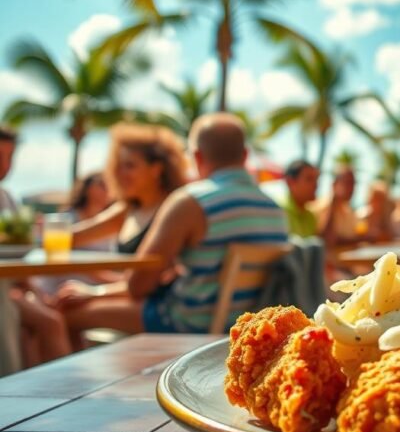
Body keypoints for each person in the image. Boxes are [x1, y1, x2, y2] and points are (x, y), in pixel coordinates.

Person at [58, 113, 289, 336]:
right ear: (245, 155)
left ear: (197, 157)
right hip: (247, 328)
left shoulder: (190, 202)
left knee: (64, 315)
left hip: (185, 323)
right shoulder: (276, 211)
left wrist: (94, 292)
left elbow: (138, 286)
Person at [0, 128, 71, 367]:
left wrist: (34, 290)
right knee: (48, 322)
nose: (5, 164)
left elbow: (16, 254)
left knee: (45, 320)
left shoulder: (7, 198)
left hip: (11, 285)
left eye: (10, 157)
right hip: (7, 288)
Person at [72, 123, 188, 254]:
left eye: (130, 165)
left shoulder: (174, 209)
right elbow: (74, 237)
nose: (120, 173)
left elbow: (152, 271)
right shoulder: (128, 209)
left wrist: (92, 272)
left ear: (156, 169)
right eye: (118, 165)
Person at [312, 165, 360, 248]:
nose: (352, 188)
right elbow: (326, 240)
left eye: (353, 183)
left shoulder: (348, 211)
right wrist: (333, 202)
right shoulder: (320, 206)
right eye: (347, 183)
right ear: (334, 184)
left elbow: (355, 237)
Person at [280, 160, 319, 239]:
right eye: (309, 179)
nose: (316, 185)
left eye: (316, 179)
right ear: (290, 182)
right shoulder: (277, 212)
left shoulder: (310, 217)